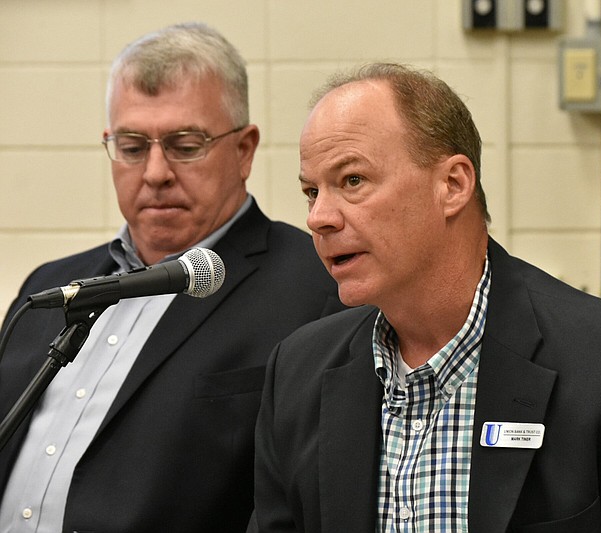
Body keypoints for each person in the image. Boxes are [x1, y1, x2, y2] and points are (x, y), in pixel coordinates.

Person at [248, 63, 601, 532]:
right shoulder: (299, 372)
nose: (319, 217)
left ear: (453, 184)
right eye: (312, 192)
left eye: (352, 180)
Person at [0, 22, 344, 533]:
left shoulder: (315, 287)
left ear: (245, 150)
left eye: (185, 145)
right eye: (133, 146)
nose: (156, 172)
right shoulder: (49, 289)